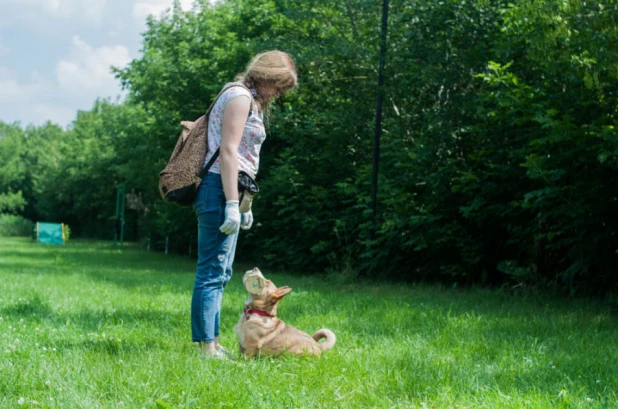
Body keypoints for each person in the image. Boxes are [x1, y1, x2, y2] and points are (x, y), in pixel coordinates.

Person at [191, 50, 298, 358]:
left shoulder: (250, 100)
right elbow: (228, 151)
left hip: (231, 191)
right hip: (218, 189)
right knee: (211, 273)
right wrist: (231, 203)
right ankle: (205, 348)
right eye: (278, 86)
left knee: (221, 273)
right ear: (265, 76)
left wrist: (244, 206)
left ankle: (211, 342)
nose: (278, 94)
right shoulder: (239, 97)